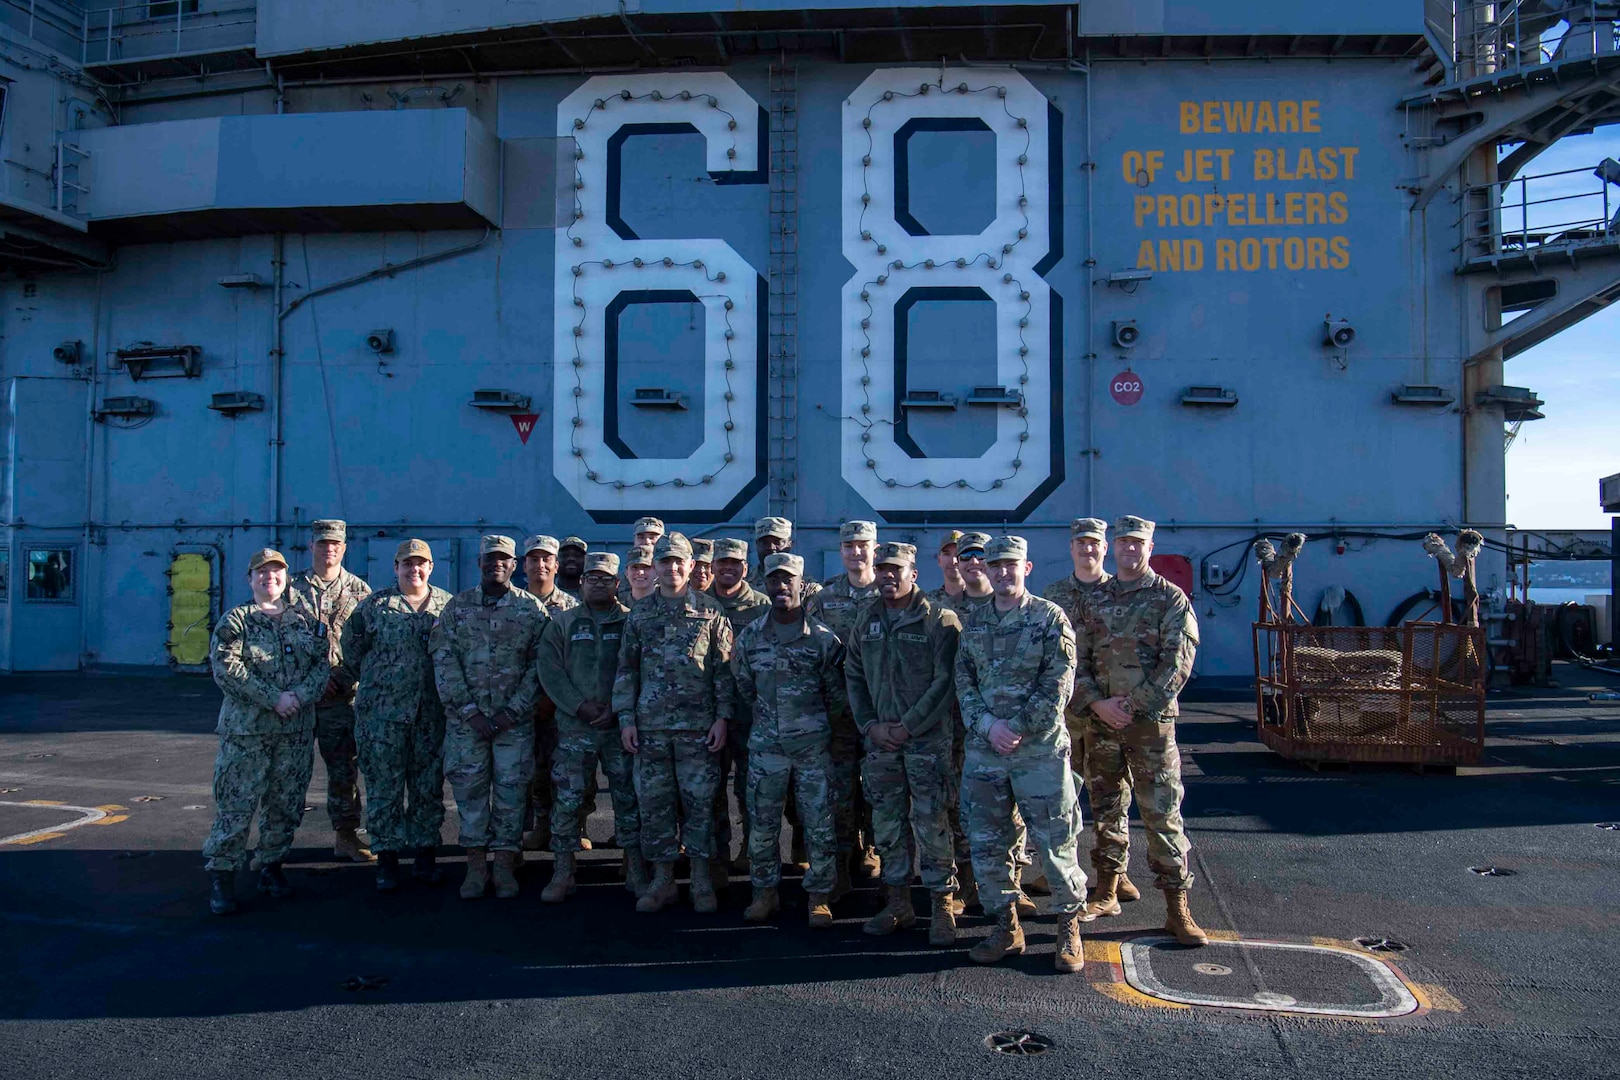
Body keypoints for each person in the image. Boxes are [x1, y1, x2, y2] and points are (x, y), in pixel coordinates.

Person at [1071, 516, 1207, 945]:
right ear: (1115, 546)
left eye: (1138, 543)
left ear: (1150, 547)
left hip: (1150, 728)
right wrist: (1097, 702)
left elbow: (1177, 665)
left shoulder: (1171, 599)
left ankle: (1177, 908)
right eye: (1123, 542)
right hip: (1101, 723)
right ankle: (1107, 889)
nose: (1130, 549)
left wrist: (1131, 706)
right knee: (1106, 807)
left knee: (1161, 815)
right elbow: (1079, 656)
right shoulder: (1097, 599)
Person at [955, 536, 1088, 974]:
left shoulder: (1050, 619)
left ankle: (1068, 926)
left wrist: (1014, 727)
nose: (1002, 573)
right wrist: (987, 726)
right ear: (985, 571)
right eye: (995, 566)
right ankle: (1005, 925)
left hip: (1039, 752)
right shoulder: (973, 623)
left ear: (1026, 569)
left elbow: (1058, 685)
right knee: (988, 843)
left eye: (1011, 565)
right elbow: (964, 683)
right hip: (986, 752)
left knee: (1055, 842)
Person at [202, 547, 331, 915]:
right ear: (250, 579)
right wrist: (274, 698)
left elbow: (321, 667)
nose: (269, 578)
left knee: (286, 804)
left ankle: (271, 866)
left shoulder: (305, 621)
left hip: (294, 731)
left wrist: (299, 697)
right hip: (248, 733)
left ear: (285, 577)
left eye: (276, 572)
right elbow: (227, 670)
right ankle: (222, 876)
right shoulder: (236, 621)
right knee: (236, 805)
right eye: (261, 573)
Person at [845, 542, 963, 945]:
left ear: (914, 572)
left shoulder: (939, 620)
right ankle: (898, 904)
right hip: (881, 744)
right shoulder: (867, 620)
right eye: (882, 569)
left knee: (932, 824)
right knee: (888, 825)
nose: (888, 576)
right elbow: (855, 677)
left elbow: (944, 682)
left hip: (926, 743)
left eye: (897, 569)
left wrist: (909, 726)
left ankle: (942, 906)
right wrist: (870, 725)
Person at [613, 532, 735, 914]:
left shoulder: (711, 612)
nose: (672, 568)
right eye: (664, 562)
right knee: (655, 805)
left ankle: (700, 878)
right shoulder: (640, 615)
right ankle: (663, 879)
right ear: (656, 567)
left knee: (699, 804)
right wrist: (626, 719)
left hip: (698, 730)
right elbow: (626, 670)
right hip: (650, 729)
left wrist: (722, 718)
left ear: (692, 565)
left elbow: (723, 672)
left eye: (679, 561)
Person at [429, 535, 549, 900]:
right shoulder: (456, 608)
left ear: (515, 565)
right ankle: (476, 865)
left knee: (512, 793)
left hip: (514, 722)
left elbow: (540, 666)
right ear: (478, 563)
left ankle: (504, 865)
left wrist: (513, 710)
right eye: (489, 559)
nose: (496, 564)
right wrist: (469, 711)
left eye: (503, 559)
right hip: (468, 724)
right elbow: (443, 660)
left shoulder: (531, 610)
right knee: (470, 793)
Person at [732, 552, 845, 929]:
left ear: (801, 583)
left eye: (788, 580)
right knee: (762, 825)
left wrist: (810, 726)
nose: (781, 587)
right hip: (766, 748)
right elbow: (744, 686)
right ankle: (764, 894)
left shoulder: (824, 640)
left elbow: (836, 696)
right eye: (774, 580)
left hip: (813, 749)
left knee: (819, 824)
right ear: (765, 584)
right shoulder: (750, 637)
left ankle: (818, 896)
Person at [339, 539, 453, 892]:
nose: (414, 569)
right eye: (407, 564)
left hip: (430, 716)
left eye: (421, 564)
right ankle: (386, 858)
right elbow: (352, 652)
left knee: (427, 789)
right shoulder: (373, 607)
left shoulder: (447, 607)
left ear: (431, 567)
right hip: (382, 719)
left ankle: (424, 856)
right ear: (396, 567)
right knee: (384, 789)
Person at [1042, 517, 1140, 910]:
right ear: (1071, 549)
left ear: (1105, 548)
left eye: (1094, 543)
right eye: (1081, 544)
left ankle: (1113, 873)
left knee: (1113, 795)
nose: (1088, 550)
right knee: (1061, 796)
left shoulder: (1121, 594)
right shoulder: (1053, 595)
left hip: (1110, 714)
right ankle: (1064, 868)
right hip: (1068, 713)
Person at [536, 552, 645, 902]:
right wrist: (579, 707)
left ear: (618, 584)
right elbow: (550, 671)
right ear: (581, 583)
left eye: (605, 578)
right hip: (574, 729)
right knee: (567, 800)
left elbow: (641, 669)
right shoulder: (563, 624)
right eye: (592, 578)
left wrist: (616, 707)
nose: (599, 583)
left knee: (628, 797)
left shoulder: (632, 622)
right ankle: (564, 871)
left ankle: (635, 865)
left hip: (618, 728)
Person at [291, 518, 374, 863]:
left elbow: (367, 644)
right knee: (288, 772)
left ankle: (346, 836)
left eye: (335, 544)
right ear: (311, 547)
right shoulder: (289, 588)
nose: (329, 549)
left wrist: (340, 678)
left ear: (344, 548)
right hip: (297, 699)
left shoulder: (360, 591)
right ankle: (275, 841)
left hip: (340, 699)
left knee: (343, 771)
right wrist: (309, 682)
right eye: (323, 543)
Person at [806, 519, 882, 889]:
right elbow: (812, 655)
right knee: (840, 785)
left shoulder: (889, 593)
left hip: (880, 710)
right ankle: (844, 850)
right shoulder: (823, 599)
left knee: (879, 784)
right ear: (841, 551)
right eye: (850, 546)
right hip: (838, 712)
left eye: (863, 545)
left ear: (874, 548)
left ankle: (872, 847)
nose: (856, 552)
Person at [519, 535, 584, 856]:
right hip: (520, 707)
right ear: (524, 565)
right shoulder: (514, 604)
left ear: (556, 565)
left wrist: (557, 699)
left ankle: (573, 828)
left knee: (567, 771)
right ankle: (540, 826)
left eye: (547, 559)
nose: (540, 565)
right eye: (534, 559)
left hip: (561, 708)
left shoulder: (572, 608)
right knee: (529, 773)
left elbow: (578, 661)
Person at [710, 538, 771, 873]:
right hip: (710, 716)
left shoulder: (762, 607)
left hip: (752, 715)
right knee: (711, 789)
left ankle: (751, 849)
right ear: (713, 566)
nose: (729, 568)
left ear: (745, 568)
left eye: (735, 563)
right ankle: (718, 853)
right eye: (723, 562)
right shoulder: (702, 605)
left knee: (753, 788)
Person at [749, 517, 821, 602]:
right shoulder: (745, 584)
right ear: (756, 544)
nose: (771, 547)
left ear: (789, 544)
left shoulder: (808, 587)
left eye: (777, 542)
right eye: (764, 542)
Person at [925, 531, 968, 611]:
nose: (953, 561)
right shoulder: (927, 602)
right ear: (939, 560)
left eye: (958, 554)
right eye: (947, 554)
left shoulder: (981, 599)